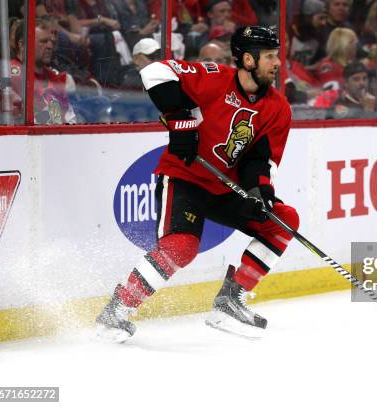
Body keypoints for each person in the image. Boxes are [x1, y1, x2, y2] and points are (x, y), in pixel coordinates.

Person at [96, 26, 299, 341]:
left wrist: (259, 191)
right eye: (270, 56)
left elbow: (261, 159)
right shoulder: (215, 77)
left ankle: (231, 300)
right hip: (185, 175)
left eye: (277, 56)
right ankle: (118, 309)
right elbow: (155, 71)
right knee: (182, 246)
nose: (277, 64)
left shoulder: (277, 108)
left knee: (283, 220)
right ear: (248, 59)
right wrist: (180, 120)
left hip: (223, 187)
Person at [10, 17, 77, 124]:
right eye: (43, 41)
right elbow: (15, 122)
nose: (50, 46)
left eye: (52, 42)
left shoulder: (54, 77)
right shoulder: (9, 76)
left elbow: (70, 119)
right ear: (22, 45)